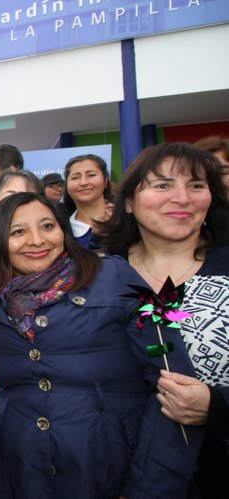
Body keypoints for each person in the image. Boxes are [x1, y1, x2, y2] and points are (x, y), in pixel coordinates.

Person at [0, 191, 203, 499]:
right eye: (18, 232)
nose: (37, 240)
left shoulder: (116, 275)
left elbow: (171, 372)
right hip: (19, 473)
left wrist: (147, 488)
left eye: (48, 226)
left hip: (109, 470)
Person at [100, 142, 229, 498]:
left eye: (197, 186)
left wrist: (218, 406)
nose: (182, 197)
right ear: (129, 201)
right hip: (110, 469)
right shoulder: (97, 274)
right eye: (162, 185)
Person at [62, 153, 114, 249]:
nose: (83, 183)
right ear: (67, 187)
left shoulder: (124, 219)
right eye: (75, 177)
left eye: (91, 175)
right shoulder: (61, 229)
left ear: (105, 181)